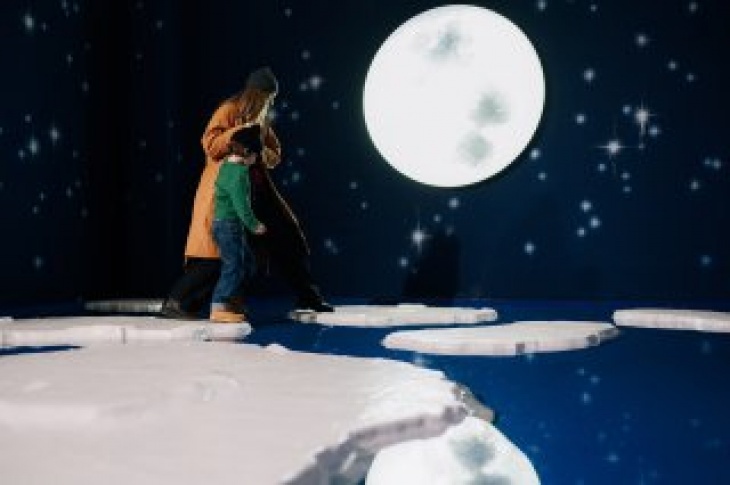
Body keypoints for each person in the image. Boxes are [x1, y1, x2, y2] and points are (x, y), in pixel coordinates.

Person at [161, 66, 333, 319]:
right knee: (215, 255)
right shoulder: (229, 110)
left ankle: (309, 296)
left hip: (258, 192)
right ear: (256, 94)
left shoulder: (262, 120)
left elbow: (274, 153)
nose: (270, 103)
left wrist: (262, 152)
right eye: (267, 97)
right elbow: (210, 144)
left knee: (288, 240)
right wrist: (238, 135)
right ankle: (179, 302)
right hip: (228, 188)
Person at [209, 139, 266, 323]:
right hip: (229, 225)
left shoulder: (227, 166)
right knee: (233, 266)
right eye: (255, 156)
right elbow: (240, 203)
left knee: (246, 263)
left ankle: (232, 300)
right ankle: (219, 306)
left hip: (225, 225)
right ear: (247, 153)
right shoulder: (239, 173)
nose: (255, 160)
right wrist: (254, 224)